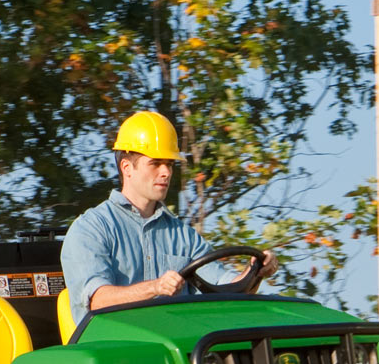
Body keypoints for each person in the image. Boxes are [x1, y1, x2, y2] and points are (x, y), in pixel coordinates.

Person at [60, 111, 277, 324]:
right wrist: (155, 287)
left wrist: (255, 271)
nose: (166, 172)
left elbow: (225, 288)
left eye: (170, 164)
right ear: (127, 168)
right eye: (155, 163)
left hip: (175, 348)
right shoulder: (91, 229)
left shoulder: (184, 235)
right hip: (115, 350)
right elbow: (98, 301)